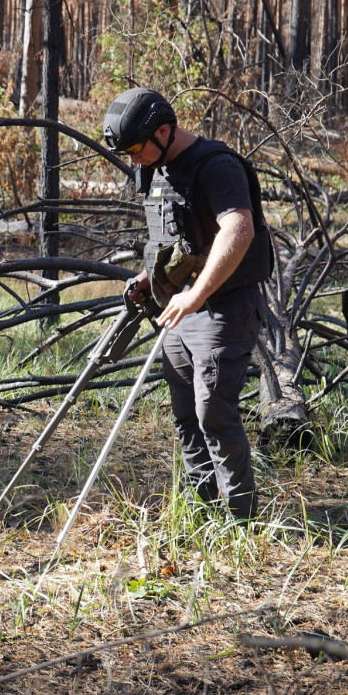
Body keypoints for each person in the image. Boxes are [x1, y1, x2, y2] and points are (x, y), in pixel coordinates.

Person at [103, 87, 272, 520]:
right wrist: (147, 278)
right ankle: (206, 510)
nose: (133, 160)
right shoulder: (155, 167)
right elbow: (178, 238)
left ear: (164, 131)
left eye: (136, 149)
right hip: (180, 308)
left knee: (213, 410)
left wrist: (197, 294)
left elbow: (238, 230)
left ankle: (241, 520)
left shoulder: (216, 166)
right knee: (186, 416)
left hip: (224, 307)